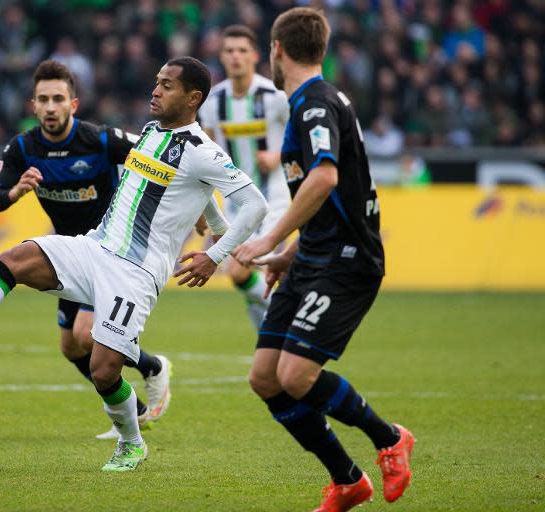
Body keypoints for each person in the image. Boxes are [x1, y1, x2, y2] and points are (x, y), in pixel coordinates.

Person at [0, 56, 268, 472]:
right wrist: (208, 218)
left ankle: (131, 443)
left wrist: (214, 254)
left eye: (167, 86)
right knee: (15, 260)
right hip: (93, 248)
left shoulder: (201, 151)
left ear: (193, 98)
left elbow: (255, 205)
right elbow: (201, 195)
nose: (155, 91)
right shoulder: (152, 132)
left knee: (104, 371)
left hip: (134, 273)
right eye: (156, 82)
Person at [232, 8, 415, 512]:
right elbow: (330, 198)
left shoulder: (314, 105)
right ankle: (348, 480)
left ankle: (389, 438)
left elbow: (325, 178)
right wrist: (290, 254)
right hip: (314, 255)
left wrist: (269, 238)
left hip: (346, 261)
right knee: (265, 378)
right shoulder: (312, 102)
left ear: (275, 50)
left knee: (295, 377)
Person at [0, 60, 172, 440]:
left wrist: (195, 207)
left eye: (58, 99)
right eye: (43, 100)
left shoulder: (99, 139)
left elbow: (156, 157)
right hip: (68, 252)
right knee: (70, 347)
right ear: (32, 106)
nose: (51, 107)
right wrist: (16, 191)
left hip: (111, 249)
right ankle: (134, 408)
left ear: (74, 103)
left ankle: (151, 368)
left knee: (87, 334)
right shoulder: (22, 147)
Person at [198, 25, 290, 330]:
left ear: (254, 55)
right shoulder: (214, 103)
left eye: (242, 50)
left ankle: (283, 319)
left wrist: (277, 156)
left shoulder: (275, 96)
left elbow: (300, 138)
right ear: (221, 57)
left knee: (239, 272)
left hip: (274, 198)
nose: (236, 56)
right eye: (229, 51)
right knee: (247, 275)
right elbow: (208, 152)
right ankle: (273, 334)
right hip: (236, 202)